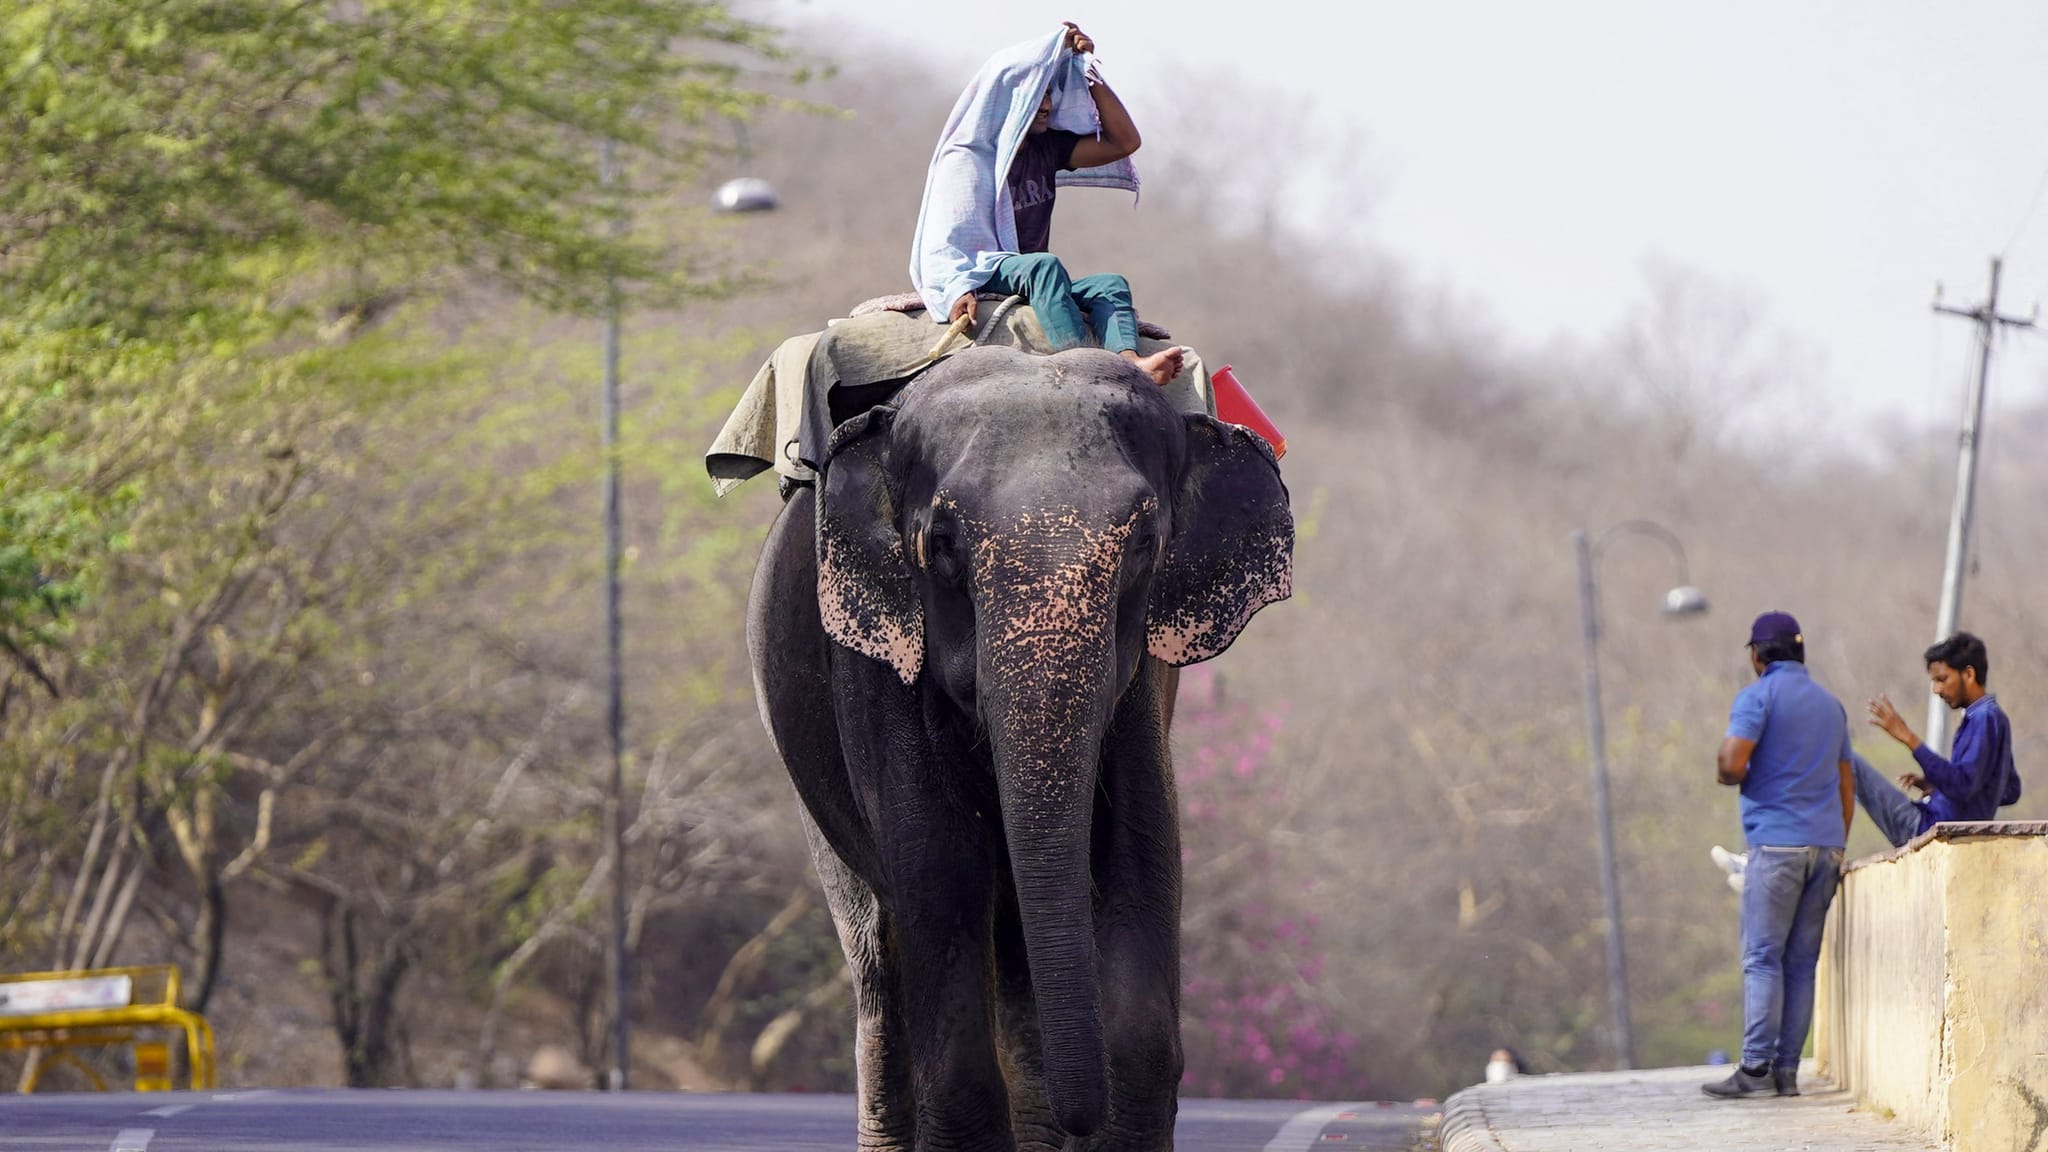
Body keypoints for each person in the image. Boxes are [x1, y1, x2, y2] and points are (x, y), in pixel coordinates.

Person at [909, 22, 1186, 388]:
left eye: (1049, 93)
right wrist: (957, 288)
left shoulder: (1045, 147)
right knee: (1045, 266)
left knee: (1109, 285)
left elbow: (1124, 141)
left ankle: (1132, 365)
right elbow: (946, 241)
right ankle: (1082, 367)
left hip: (1032, 275)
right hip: (987, 270)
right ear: (1006, 100)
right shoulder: (967, 159)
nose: (1047, 105)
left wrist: (1088, 74)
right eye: (1035, 95)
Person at [1709, 630, 2022, 884]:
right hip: (1938, 818)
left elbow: (1966, 785)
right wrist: (1938, 785)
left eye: (1942, 679)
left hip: (1928, 825)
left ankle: (1773, 856)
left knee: (1840, 757)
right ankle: (1781, 859)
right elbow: (2006, 790)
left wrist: (1907, 737)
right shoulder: (1993, 719)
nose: (1936, 689)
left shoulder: (1984, 719)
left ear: (1968, 674)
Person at [1703, 611, 1853, 1101]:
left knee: (1763, 957)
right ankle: (1787, 1072)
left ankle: (1753, 1068)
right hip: (1826, 846)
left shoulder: (1758, 696)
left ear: (1757, 655)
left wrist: (1732, 774)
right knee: (1801, 962)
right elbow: (1846, 784)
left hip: (1777, 845)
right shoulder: (1832, 707)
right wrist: (1834, 843)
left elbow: (1731, 762)